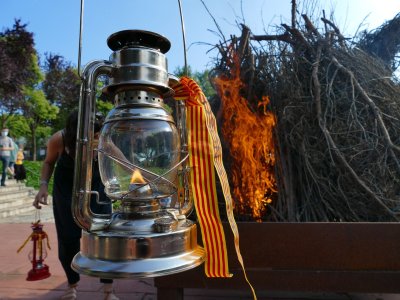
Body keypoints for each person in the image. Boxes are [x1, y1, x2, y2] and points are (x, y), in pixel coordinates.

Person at [33, 111, 119, 300]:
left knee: (105, 239)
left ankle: (108, 291)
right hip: (66, 195)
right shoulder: (59, 139)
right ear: (74, 132)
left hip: (98, 193)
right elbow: (48, 163)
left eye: (97, 134)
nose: (94, 137)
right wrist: (43, 187)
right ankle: (71, 286)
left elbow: (121, 160)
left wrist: (135, 179)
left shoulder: (102, 137)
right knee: (68, 240)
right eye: (91, 134)